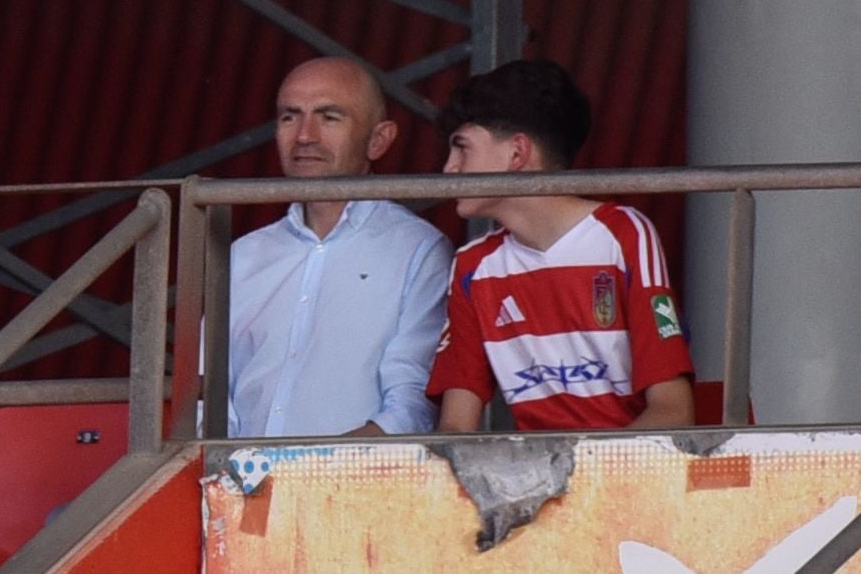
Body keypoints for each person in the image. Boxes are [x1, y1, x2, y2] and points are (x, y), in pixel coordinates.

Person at [426, 58, 695, 432]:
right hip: (533, 481)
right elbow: (455, 427)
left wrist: (590, 481)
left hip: (628, 477)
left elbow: (673, 411)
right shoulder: (473, 265)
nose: (448, 169)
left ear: (517, 154)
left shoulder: (623, 234)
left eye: (462, 148)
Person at [223, 56, 453, 437]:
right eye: (289, 117)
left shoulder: (419, 250)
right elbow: (204, 396)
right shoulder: (242, 256)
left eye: (329, 117)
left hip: (362, 488)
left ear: (378, 140)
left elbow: (414, 404)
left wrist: (314, 469)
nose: (304, 136)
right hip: (240, 488)